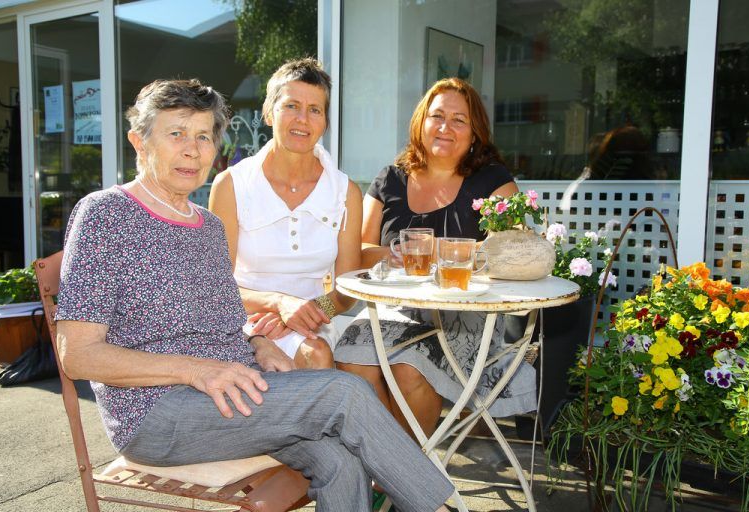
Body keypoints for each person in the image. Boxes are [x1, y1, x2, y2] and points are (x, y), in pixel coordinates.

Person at [54, 78, 453, 512]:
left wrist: (260, 345)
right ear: (139, 141)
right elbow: (77, 355)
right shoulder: (106, 215)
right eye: (176, 134)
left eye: (204, 136)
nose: (193, 149)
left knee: (340, 460)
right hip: (156, 412)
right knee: (343, 393)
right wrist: (195, 371)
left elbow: (227, 323)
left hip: (232, 392)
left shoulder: (206, 226)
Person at [335, 78, 537, 438]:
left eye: (459, 120)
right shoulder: (391, 179)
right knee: (350, 356)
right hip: (395, 308)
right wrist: (396, 255)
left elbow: (511, 251)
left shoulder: (493, 182)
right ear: (420, 123)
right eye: (437, 115)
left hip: (465, 316)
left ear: (475, 133)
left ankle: (397, 477)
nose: (446, 127)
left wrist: (441, 254)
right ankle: (388, 462)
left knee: (409, 367)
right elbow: (362, 253)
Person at [210, 59, 361, 371]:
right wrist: (279, 305)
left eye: (315, 109)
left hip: (315, 321)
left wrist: (302, 315)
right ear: (269, 112)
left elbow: (347, 292)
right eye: (291, 105)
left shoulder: (345, 192)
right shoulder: (231, 185)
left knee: (316, 353)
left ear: (325, 122)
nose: (302, 119)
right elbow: (215, 285)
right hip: (244, 320)